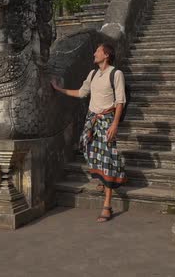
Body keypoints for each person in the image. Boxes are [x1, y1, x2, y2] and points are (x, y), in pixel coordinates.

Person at [51, 44, 127, 222]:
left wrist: (115, 124)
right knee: (88, 151)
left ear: (106, 55)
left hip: (106, 121)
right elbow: (81, 92)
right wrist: (58, 89)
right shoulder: (92, 74)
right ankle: (104, 178)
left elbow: (120, 101)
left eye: (98, 51)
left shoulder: (116, 74)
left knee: (106, 158)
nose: (94, 54)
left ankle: (107, 205)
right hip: (91, 121)